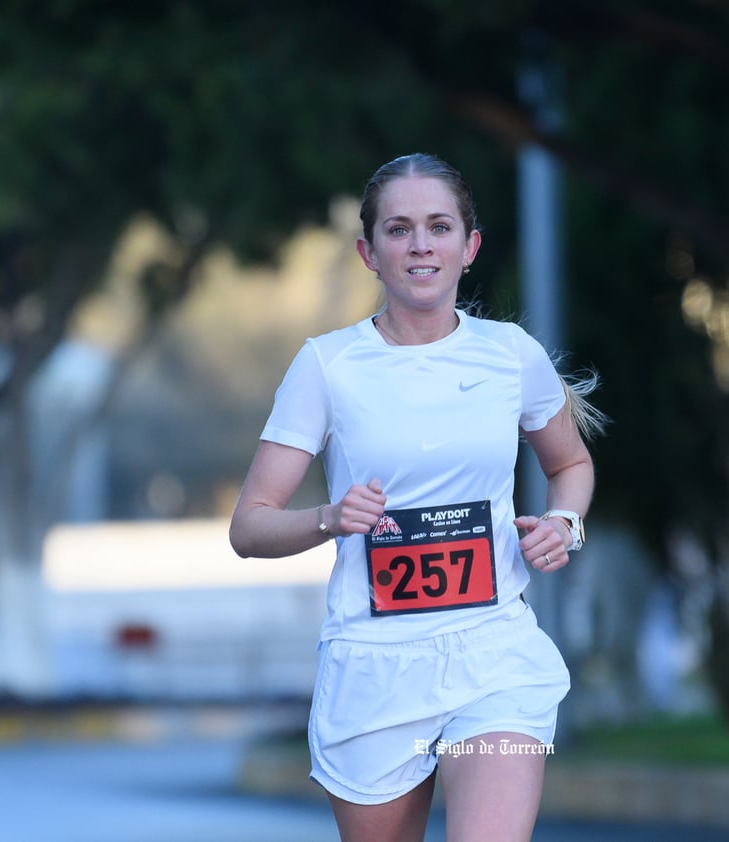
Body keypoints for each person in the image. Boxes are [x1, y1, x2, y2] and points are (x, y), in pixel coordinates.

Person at [230, 153, 604, 842]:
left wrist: (564, 523)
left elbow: (571, 463)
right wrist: (330, 519)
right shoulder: (327, 366)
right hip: (374, 668)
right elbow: (248, 528)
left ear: (470, 245)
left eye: (439, 226)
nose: (421, 244)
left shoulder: (509, 354)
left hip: (491, 652)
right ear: (369, 252)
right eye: (399, 229)